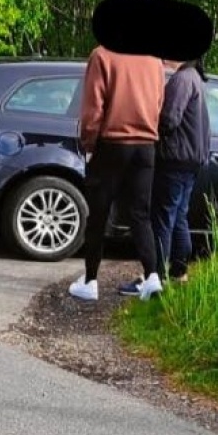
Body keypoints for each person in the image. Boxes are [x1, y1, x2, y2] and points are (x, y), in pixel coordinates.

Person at [70, 41, 165, 302]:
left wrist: (89, 143)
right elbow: (158, 102)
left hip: (112, 143)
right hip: (146, 145)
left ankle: (90, 281)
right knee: (140, 214)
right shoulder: (154, 59)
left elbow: (93, 106)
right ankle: (152, 277)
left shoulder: (102, 55)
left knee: (98, 215)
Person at [152, 59, 210, 284]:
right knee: (178, 217)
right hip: (190, 160)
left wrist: (153, 127)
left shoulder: (182, 79)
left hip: (175, 158)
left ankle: (156, 276)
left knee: (164, 218)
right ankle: (179, 271)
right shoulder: (194, 77)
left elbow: (169, 119)